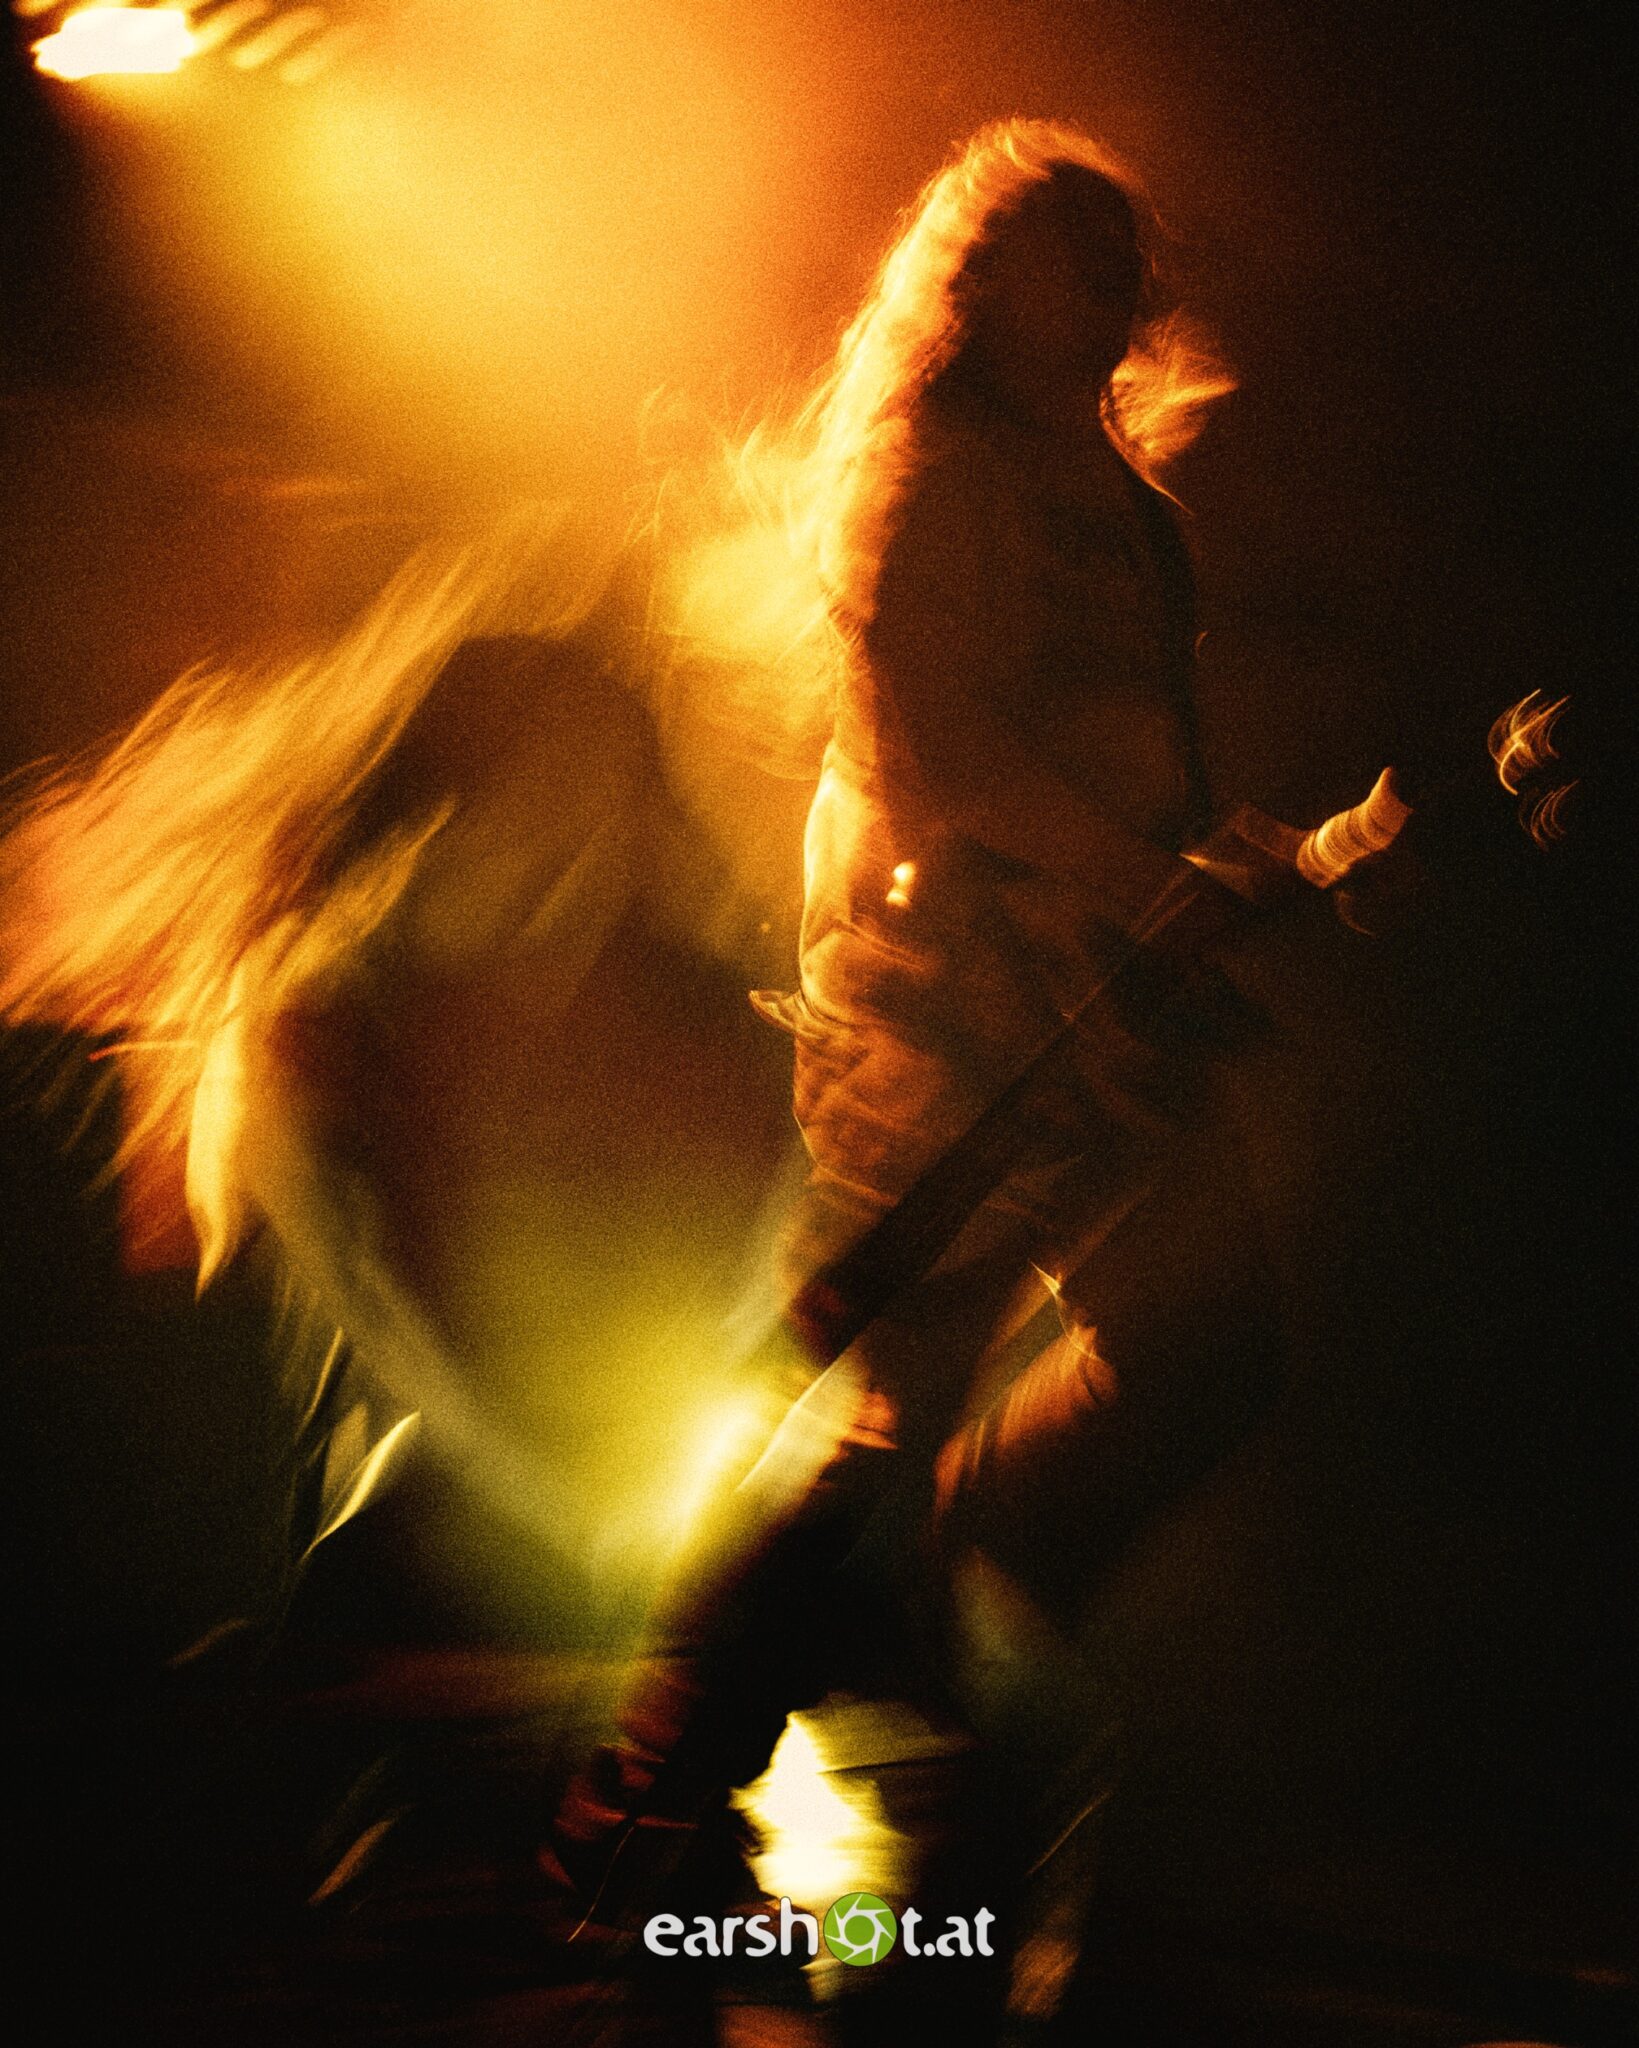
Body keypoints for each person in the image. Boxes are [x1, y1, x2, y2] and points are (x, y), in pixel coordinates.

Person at [552, 118, 1282, 2026]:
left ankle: (925, 1609)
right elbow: (939, 757)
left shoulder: (1116, 499)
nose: (1110, 282)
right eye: (1069, 249)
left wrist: (1235, 878)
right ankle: (655, 1804)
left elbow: (1137, 752)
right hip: (953, 1012)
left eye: (1123, 250)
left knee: (1201, 1346)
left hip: (1098, 1011)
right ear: (980, 280)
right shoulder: (936, 477)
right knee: (897, 1403)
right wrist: (1143, 885)